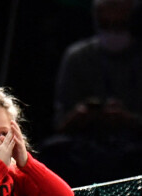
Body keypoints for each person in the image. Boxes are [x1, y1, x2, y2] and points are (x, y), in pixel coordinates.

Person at [54, 0, 142, 129]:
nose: (113, 32)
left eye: (119, 25)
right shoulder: (78, 57)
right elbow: (59, 121)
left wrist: (129, 119)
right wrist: (80, 115)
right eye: (106, 24)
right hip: (84, 139)